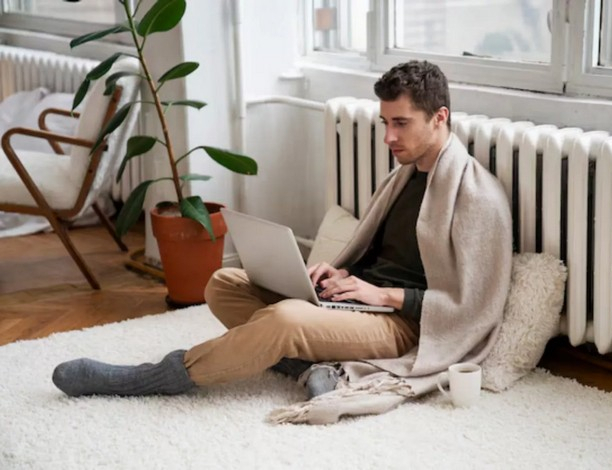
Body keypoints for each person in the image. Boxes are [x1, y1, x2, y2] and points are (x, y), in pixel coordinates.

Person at [52, 61, 513, 419]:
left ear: (439, 117)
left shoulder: (478, 197)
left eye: (401, 123)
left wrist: (384, 296)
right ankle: (312, 369)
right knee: (224, 284)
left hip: (404, 326)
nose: (388, 136)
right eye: (384, 122)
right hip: (358, 304)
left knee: (284, 319)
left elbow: (473, 307)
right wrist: (342, 272)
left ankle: (152, 378)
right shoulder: (404, 177)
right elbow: (380, 252)